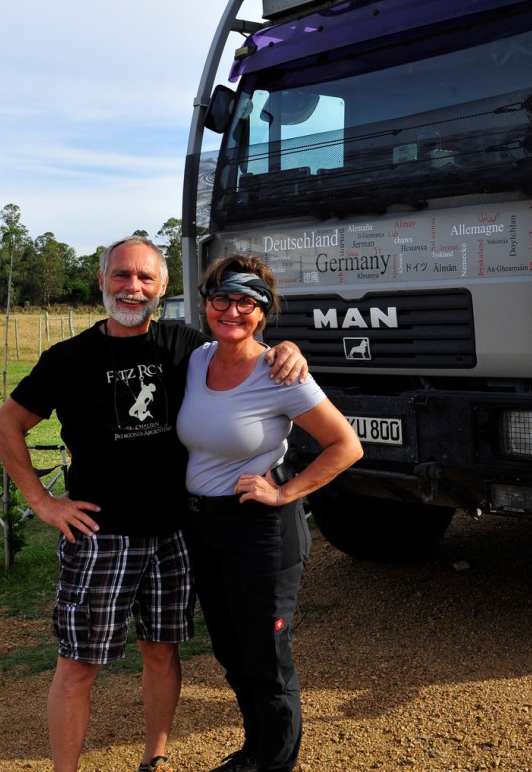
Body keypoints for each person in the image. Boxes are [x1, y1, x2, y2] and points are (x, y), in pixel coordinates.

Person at [0, 237, 308, 772]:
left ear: (163, 287)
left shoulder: (186, 346)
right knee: (78, 665)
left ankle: (154, 758)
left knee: (161, 653)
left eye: (144, 278)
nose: (132, 288)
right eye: (121, 275)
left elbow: (243, 341)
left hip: (175, 533)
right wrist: (41, 501)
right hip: (100, 535)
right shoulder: (69, 358)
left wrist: (288, 348)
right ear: (102, 281)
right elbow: (5, 426)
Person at [178, 254, 363, 772]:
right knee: (231, 651)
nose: (232, 311)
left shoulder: (280, 372)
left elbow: (346, 445)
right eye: (222, 299)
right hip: (204, 527)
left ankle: (275, 762)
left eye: (246, 302)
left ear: (263, 312)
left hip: (260, 531)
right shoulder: (196, 359)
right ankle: (254, 752)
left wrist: (285, 493)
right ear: (206, 304)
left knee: (266, 657)